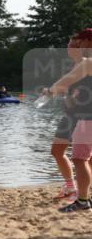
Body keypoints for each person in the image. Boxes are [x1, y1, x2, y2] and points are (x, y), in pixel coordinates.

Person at [49, 28, 92, 213]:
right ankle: (81, 194)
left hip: (85, 117)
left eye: (79, 41)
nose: (76, 44)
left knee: (80, 158)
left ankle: (82, 199)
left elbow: (64, 82)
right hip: (80, 115)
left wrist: (51, 90)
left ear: (88, 42)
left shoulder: (88, 62)